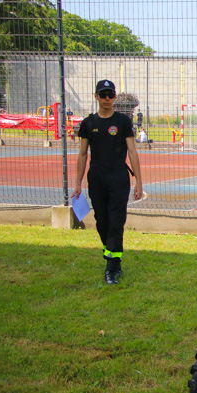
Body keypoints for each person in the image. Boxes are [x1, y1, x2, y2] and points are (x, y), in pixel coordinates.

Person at [72, 79, 143, 286]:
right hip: (97, 179)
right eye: (103, 95)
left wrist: (139, 181)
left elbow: (132, 151)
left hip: (119, 179)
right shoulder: (88, 124)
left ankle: (111, 267)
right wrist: (78, 183)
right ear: (96, 96)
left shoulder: (122, 122)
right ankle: (113, 257)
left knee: (115, 221)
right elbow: (82, 155)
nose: (106, 99)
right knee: (102, 222)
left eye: (110, 95)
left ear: (114, 97)